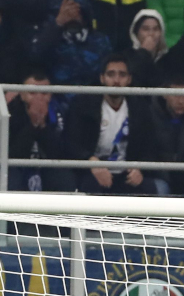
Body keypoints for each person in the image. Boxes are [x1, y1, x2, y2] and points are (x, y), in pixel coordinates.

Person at [64, 53, 166, 196]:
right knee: (87, 186)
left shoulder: (140, 107)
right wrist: (91, 162)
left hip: (127, 175)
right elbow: (71, 143)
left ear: (129, 79)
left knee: (153, 188)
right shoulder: (83, 105)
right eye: (111, 74)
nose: (116, 80)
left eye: (122, 75)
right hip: (92, 173)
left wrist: (140, 169)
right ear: (102, 78)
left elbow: (151, 147)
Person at [8, 70, 73, 193]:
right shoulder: (10, 113)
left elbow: (59, 152)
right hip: (18, 166)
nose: (39, 98)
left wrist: (43, 125)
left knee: (64, 177)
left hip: (48, 165)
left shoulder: (60, 112)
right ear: (22, 95)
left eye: (44, 93)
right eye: (32, 93)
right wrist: (32, 124)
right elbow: (14, 153)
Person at [32, 0, 114, 88]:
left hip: (89, 97)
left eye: (77, 11)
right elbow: (35, 57)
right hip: (54, 98)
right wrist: (58, 23)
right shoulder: (46, 36)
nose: (72, 16)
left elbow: (106, 72)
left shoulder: (100, 41)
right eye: (66, 12)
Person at [128, 8, 167, 89]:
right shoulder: (127, 56)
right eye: (145, 29)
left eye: (156, 29)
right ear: (136, 32)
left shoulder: (168, 58)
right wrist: (144, 52)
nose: (151, 34)